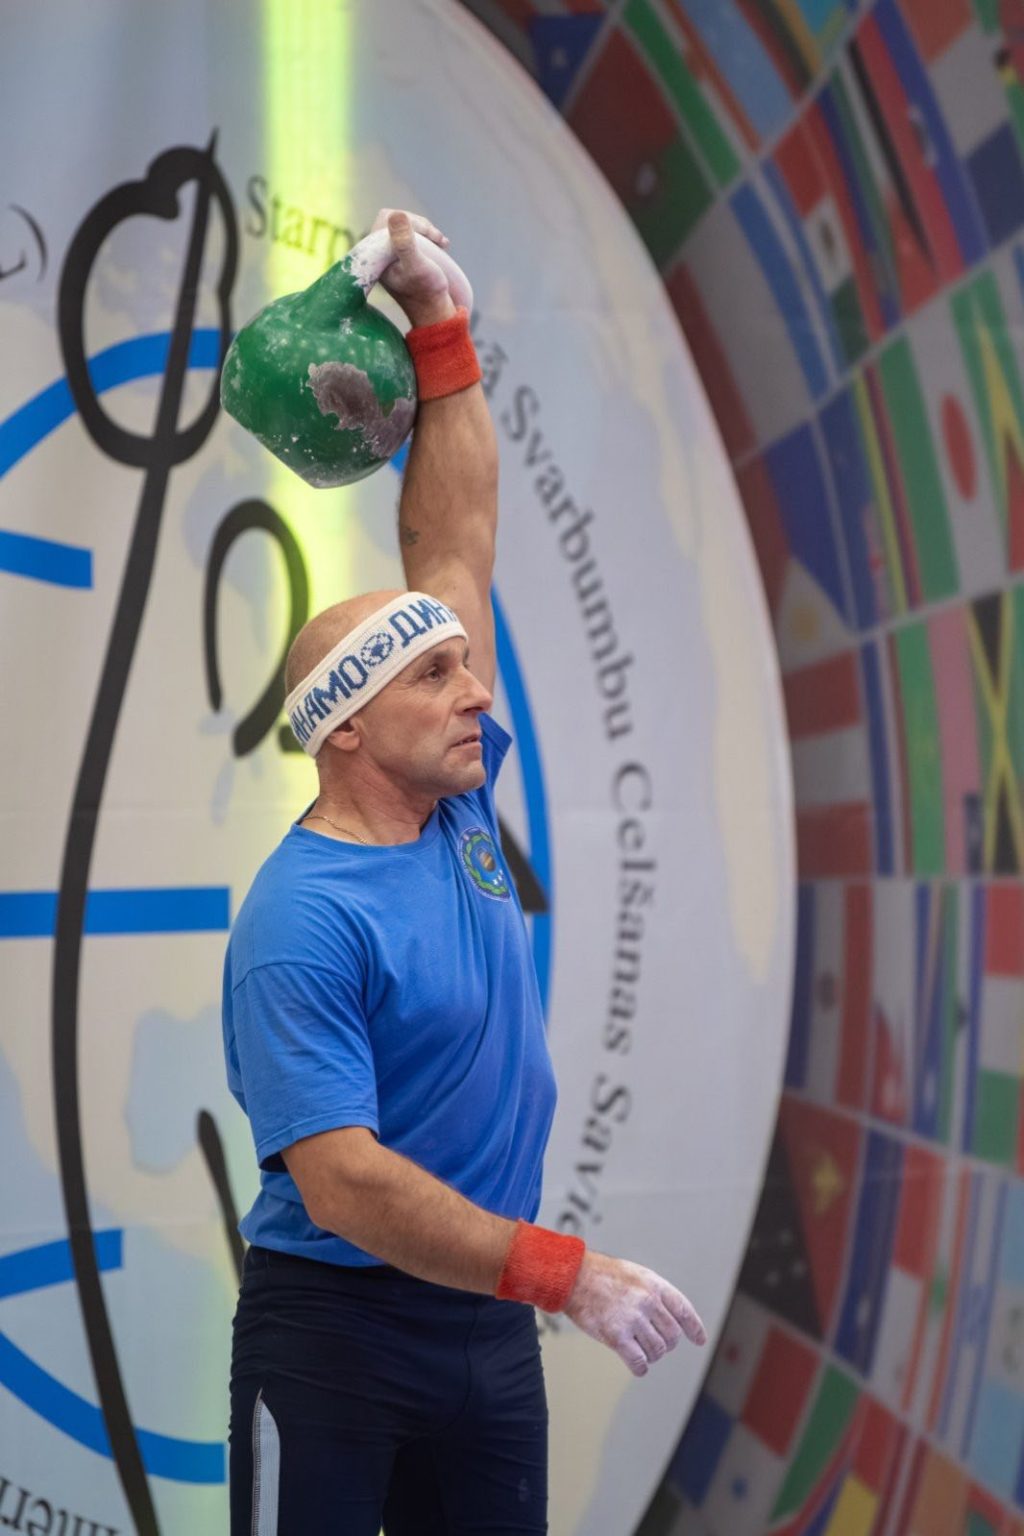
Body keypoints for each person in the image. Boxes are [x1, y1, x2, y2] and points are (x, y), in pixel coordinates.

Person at [223, 208, 706, 1536]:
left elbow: (456, 540)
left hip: (484, 1332)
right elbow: (346, 1184)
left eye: (463, 665)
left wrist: (441, 327)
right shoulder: (301, 919)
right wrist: (566, 1273)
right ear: (345, 730)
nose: (475, 692)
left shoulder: (462, 809)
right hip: (334, 1331)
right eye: (434, 676)